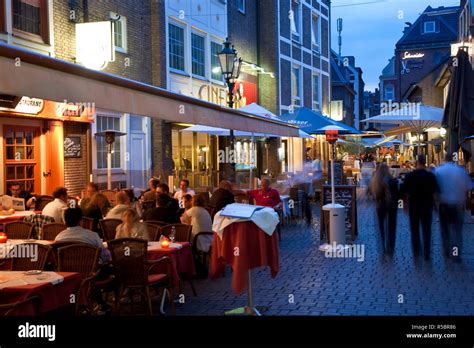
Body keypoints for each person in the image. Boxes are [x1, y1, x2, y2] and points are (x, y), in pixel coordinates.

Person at [401, 155, 439, 260]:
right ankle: (427, 254)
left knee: (415, 230)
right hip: (427, 207)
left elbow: (403, 192)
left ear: (417, 163)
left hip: (414, 207)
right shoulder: (430, 176)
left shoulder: (409, 176)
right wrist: (436, 206)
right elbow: (435, 192)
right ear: (425, 163)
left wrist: (405, 205)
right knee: (427, 230)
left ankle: (417, 252)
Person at [435, 157, 472, 261]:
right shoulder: (460, 171)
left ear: (444, 160)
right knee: (456, 231)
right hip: (458, 205)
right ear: (453, 160)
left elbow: (435, 189)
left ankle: (446, 251)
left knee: (445, 229)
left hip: (444, 204)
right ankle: (455, 254)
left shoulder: (438, 171)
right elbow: (468, 187)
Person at [368, 163, 399, 255]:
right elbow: (397, 193)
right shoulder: (391, 180)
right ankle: (390, 247)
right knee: (391, 227)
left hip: (380, 205)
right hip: (391, 206)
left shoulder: (375, 181)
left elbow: (370, 193)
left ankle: (382, 247)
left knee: (381, 226)